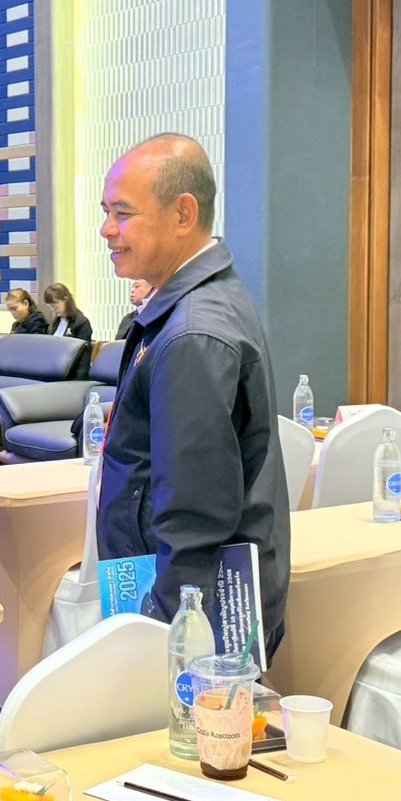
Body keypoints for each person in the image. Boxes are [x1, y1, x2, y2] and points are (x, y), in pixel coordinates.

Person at [95, 134, 289, 661]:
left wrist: (167, 639)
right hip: (181, 594)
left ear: (183, 214)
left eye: (123, 214)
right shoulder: (192, 306)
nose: (107, 229)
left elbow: (193, 516)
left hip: (192, 614)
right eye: (106, 213)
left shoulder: (192, 333)